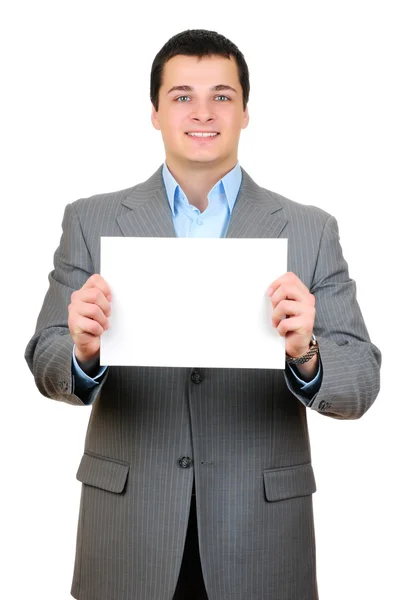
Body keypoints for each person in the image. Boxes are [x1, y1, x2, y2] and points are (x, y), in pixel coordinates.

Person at [25, 29, 381, 600]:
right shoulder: (90, 221)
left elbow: (360, 381)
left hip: (261, 533)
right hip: (129, 531)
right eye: (182, 96)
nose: (203, 112)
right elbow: (45, 354)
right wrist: (82, 350)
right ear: (155, 112)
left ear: (244, 112)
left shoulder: (310, 230)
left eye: (221, 95)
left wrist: (305, 351)